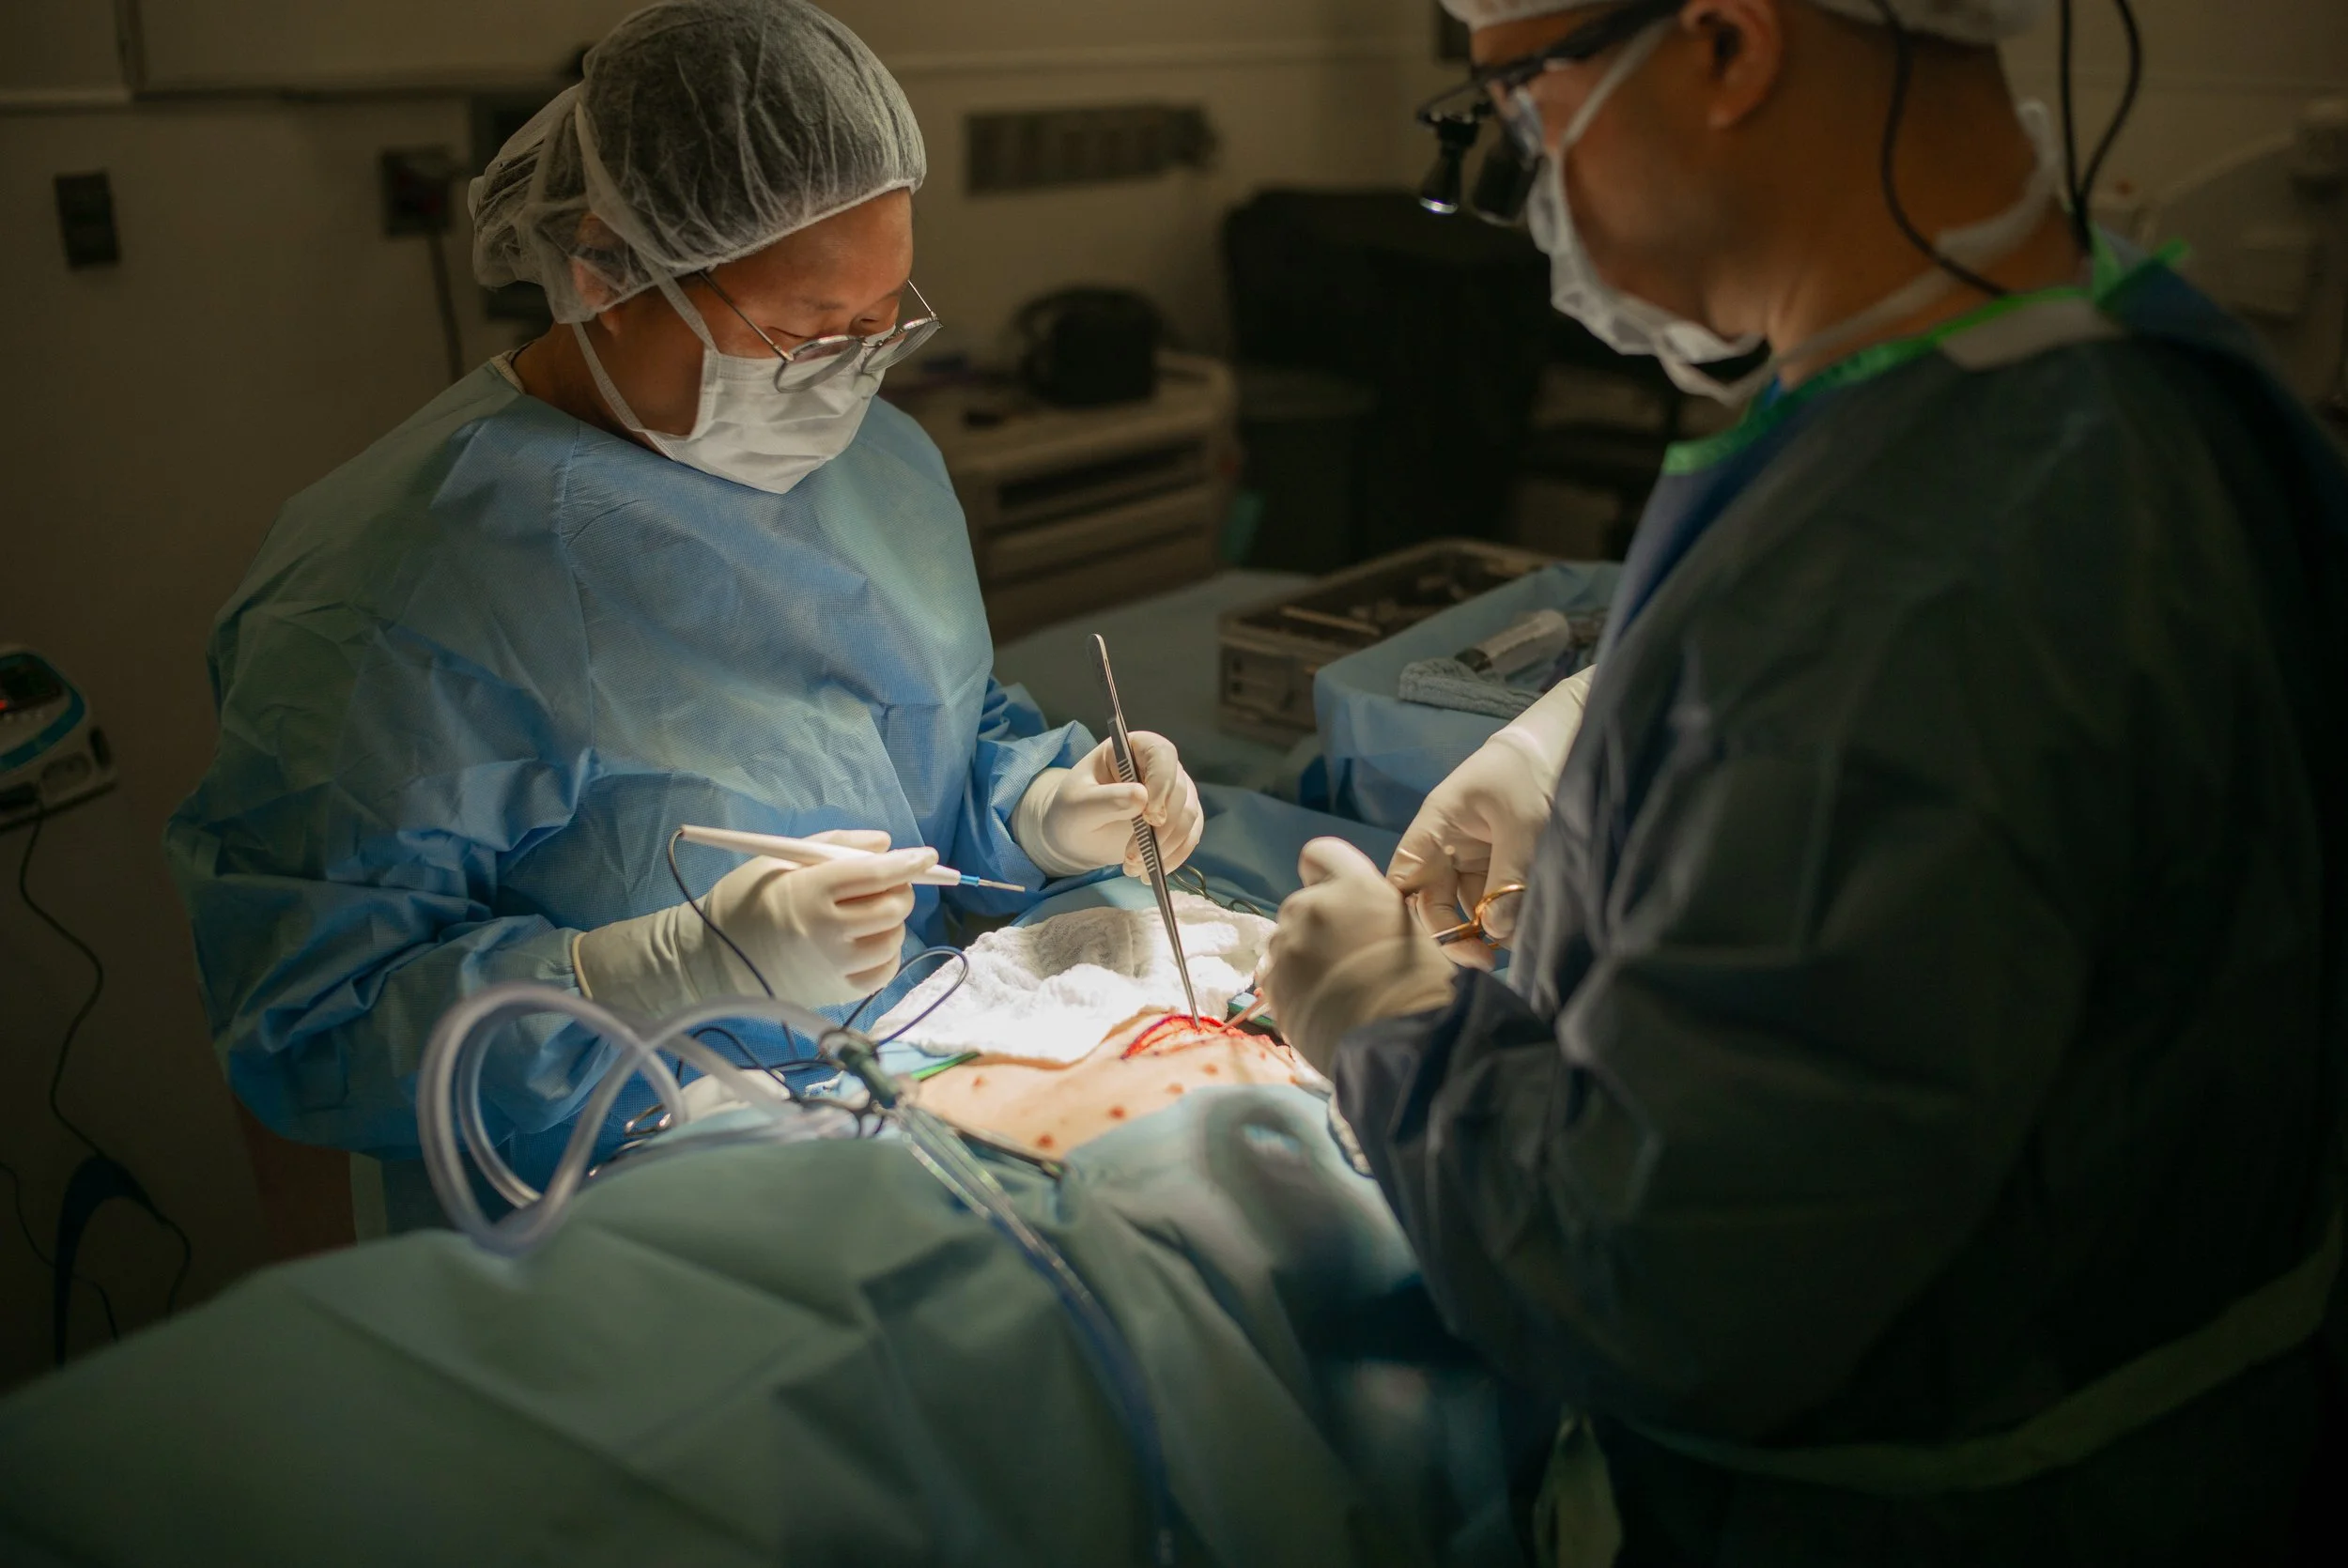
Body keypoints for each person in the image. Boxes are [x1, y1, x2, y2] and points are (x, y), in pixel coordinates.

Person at [1264, 1, 2348, 1561]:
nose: (1526, 175)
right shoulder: (2120, 352)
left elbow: (1661, 1278)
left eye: (1520, 105)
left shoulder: (1922, 564)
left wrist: (1396, 1031)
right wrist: (1605, 737)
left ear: (1726, 42)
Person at [165, 0, 1201, 1218]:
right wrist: (664, 971)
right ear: (605, 275)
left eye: (879, 325)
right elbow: (317, 1027)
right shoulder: (387, 587)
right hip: (610, 1212)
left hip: (912, 1098)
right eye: (804, 333)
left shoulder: (882, 467)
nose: (846, 379)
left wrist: (1041, 808)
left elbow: (930, 735)